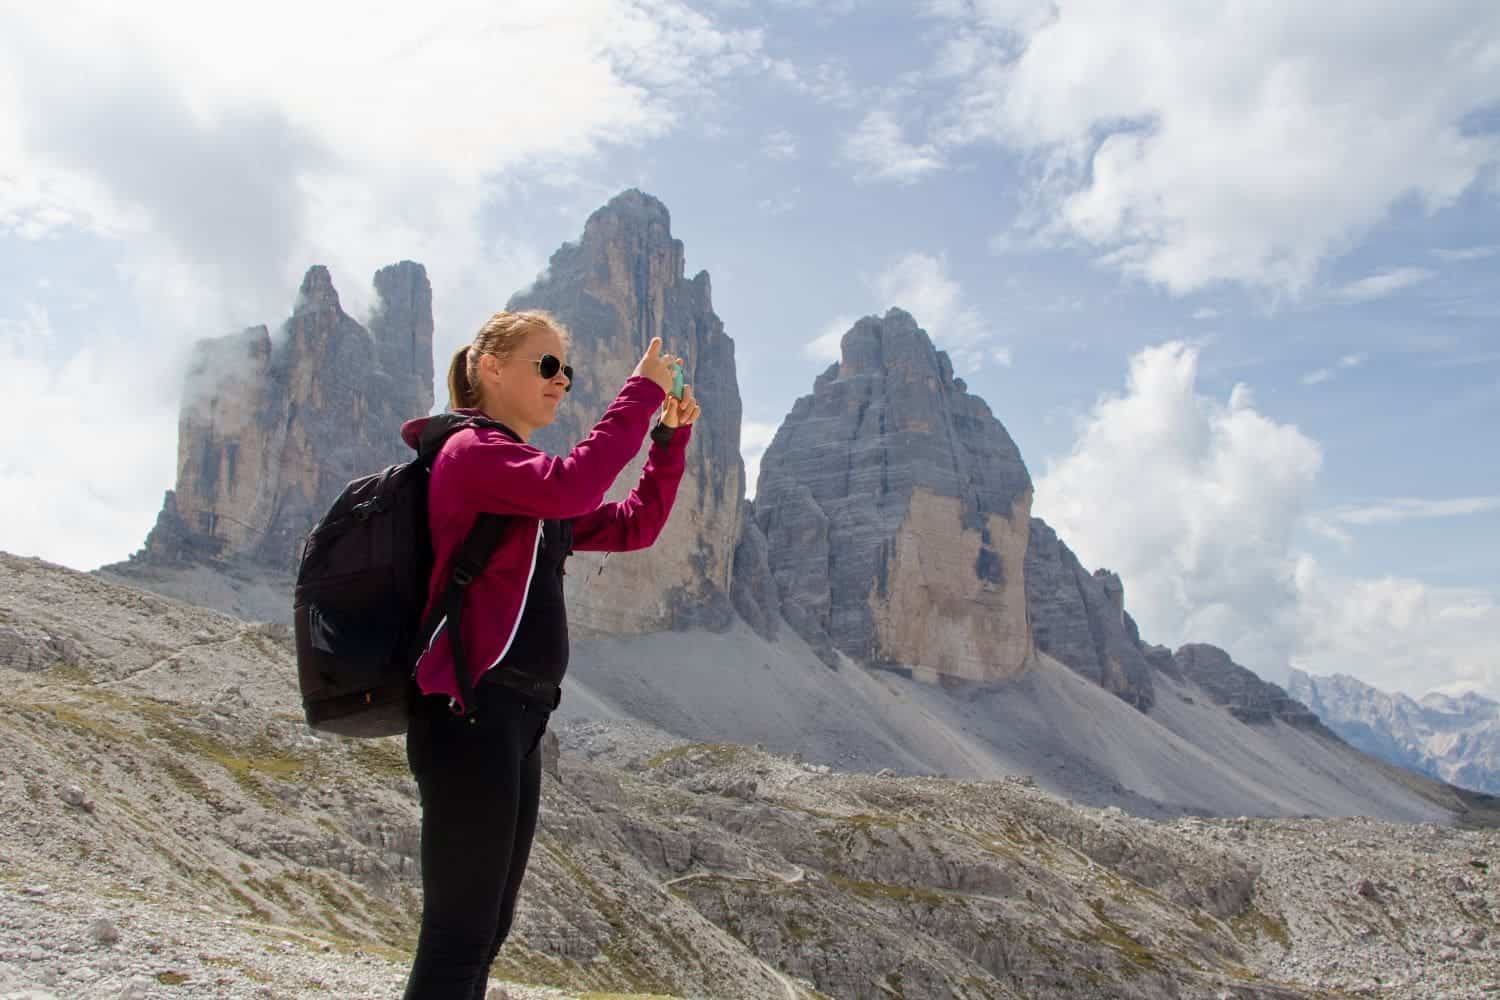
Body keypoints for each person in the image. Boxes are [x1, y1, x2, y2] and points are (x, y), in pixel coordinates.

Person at [396, 309, 700, 999]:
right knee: (459, 932)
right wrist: (641, 392)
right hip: (467, 713)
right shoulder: (473, 453)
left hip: (516, 719)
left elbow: (633, 527)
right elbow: (574, 485)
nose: (561, 380)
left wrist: (668, 440)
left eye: (567, 368)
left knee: (485, 928)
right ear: (491, 368)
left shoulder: (524, 479)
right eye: (546, 364)